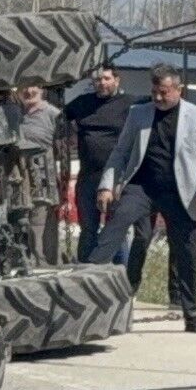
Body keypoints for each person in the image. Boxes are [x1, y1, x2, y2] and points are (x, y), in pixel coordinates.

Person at [94, 68, 196, 333]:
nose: (158, 98)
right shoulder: (138, 113)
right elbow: (121, 152)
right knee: (117, 221)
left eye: (163, 92)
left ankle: (192, 314)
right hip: (142, 186)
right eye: (154, 92)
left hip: (180, 191)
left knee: (188, 250)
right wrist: (107, 185)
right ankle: (86, 276)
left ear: (179, 90)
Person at [60, 65, 131, 260]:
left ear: (117, 80)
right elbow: (60, 117)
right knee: (88, 229)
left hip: (116, 177)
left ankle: (121, 272)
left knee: (115, 229)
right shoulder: (82, 103)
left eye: (107, 79)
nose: (102, 83)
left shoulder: (128, 104)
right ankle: (85, 270)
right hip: (88, 177)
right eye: (98, 79)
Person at [2, 83, 63, 259]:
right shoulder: (14, 112)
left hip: (42, 176)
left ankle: (44, 259)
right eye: (24, 87)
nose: (29, 91)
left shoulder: (52, 114)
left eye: (33, 86)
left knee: (40, 216)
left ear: (42, 89)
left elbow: (63, 145)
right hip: (17, 175)